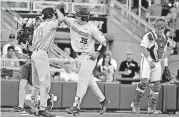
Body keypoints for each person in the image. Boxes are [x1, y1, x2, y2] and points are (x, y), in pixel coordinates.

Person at [58, 4, 110, 116]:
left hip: (89, 57)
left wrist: (98, 52)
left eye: (78, 15)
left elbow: (104, 42)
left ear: (84, 17)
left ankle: (76, 106)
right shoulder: (72, 22)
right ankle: (103, 100)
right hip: (79, 57)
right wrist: (62, 10)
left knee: (81, 81)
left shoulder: (92, 28)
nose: (76, 16)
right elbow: (62, 18)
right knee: (90, 82)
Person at [131, 18, 176, 114]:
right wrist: (150, 61)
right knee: (144, 82)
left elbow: (164, 53)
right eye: (160, 28)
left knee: (156, 86)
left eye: (163, 28)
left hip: (157, 62)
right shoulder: (149, 36)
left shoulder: (165, 38)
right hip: (147, 61)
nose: (161, 29)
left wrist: (166, 66)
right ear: (155, 27)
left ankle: (151, 108)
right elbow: (144, 49)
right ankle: (135, 104)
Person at [30, 6, 64, 117]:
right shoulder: (49, 24)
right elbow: (62, 18)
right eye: (53, 14)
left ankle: (33, 107)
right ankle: (42, 109)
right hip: (41, 54)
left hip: (34, 54)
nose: (55, 15)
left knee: (36, 84)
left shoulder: (38, 27)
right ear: (50, 16)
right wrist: (60, 9)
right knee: (45, 84)